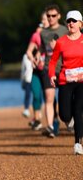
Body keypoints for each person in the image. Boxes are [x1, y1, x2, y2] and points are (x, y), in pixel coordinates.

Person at [49, 10, 83, 154]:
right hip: (65, 80)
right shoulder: (61, 42)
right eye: (69, 21)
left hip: (82, 81)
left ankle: (77, 144)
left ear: (80, 23)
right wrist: (51, 75)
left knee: (78, 110)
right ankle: (70, 122)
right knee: (64, 114)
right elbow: (53, 61)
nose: (71, 23)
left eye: (74, 21)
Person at [39, 4, 68, 138]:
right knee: (49, 98)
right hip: (47, 69)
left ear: (59, 16)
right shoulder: (43, 32)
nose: (50, 18)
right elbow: (42, 49)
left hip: (64, 68)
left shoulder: (65, 30)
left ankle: (69, 119)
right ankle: (50, 126)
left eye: (53, 16)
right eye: (48, 16)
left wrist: (58, 47)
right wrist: (37, 56)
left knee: (66, 99)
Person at [25, 11, 49, 130]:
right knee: (35, 94)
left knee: (49, 97)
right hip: (36, 70)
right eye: (43, 19)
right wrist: (32, 58)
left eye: (46, 19)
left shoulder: (55, 34)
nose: (44, 22)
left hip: (49, 71)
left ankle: (53, 120)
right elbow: (29, 51)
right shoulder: (36, 35)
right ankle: (37, 119)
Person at [20, 53, 33, 118]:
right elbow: (23, 69)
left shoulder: (41, 54)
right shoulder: (25, 56)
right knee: (27, 94)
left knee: (37, 95)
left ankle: (38, 110)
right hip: (28, 78)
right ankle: (26, 109)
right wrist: (22, 81)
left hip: (37, 78)